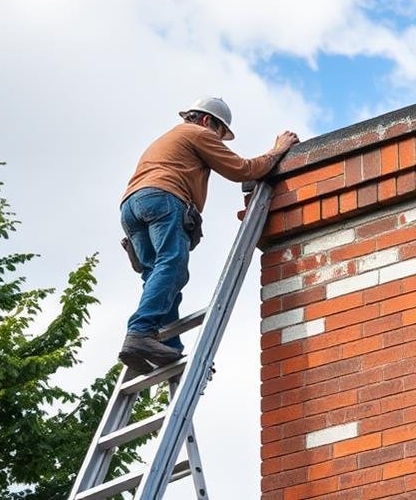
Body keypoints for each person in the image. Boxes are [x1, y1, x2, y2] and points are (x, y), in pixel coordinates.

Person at [118, 96, 298, 375]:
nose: (219, 140)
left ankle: (167, 345)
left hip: (132, 206)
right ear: (206, 120)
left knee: (160, 274)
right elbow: (242, 170)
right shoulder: (198, 133)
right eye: (220, 133)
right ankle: (140, 333)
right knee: (172, 264)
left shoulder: (170, 137)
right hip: (163, 198)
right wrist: (277, 151)